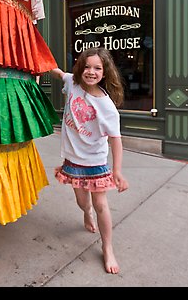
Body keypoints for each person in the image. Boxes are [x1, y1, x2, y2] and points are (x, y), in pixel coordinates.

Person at [49, 47, 129, 274]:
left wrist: (118, 171)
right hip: (73, 161)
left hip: (95, 162)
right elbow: (56, 72)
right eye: (87, 66)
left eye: (97, 68)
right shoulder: (72, 84)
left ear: (105, 72)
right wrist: (40, 64)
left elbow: (116, 140)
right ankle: (86, 213)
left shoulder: (107, 107)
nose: (91, 72)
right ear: (80, 68)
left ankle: (108, 247)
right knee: (83, 203)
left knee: (101, 204)